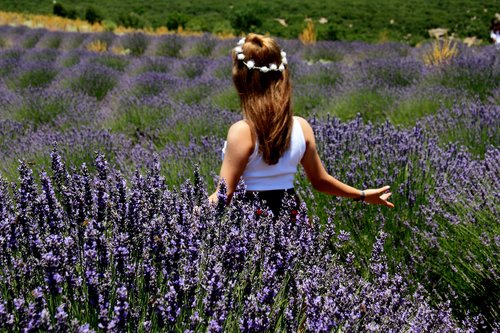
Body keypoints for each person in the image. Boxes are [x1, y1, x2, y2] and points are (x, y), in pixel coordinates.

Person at [209, 33, 394, 217]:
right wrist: (361, 194)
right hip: (293, 218)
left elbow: (226, 193)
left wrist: (188, 215)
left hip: (253, 220)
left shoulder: (242, 131)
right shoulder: (300, 126)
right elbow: (320, 181)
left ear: (241, 79)